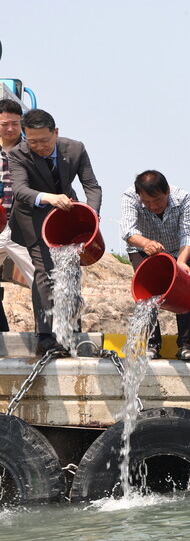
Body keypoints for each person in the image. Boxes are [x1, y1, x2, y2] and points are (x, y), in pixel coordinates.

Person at [8, 109, 102, 356]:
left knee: (71, 271)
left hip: (67, 214)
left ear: (56, 133)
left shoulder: (76, 148)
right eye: (32, 140)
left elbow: (91, 185)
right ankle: (46, 337)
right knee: (45, 270)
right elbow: (19, 190)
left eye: (44, 141)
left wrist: (91, 215)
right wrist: (47, 198)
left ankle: (69, 329)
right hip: (33, 217)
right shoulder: (18, 154)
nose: (38, 146)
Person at [120, 170, 190, 361]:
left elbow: (189, 234)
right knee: (147, 292)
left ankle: (187, 345)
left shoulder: (184, 198)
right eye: (146, 203)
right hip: (142, 248)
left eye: (157, 201)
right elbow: (128, 230)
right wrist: (146, 244)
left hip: (177, 251)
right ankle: (151, 345)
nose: (152, 206)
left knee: (185, 291)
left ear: (167, 191)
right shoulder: (130, 196)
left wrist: (181, 260)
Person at [0, 100, 35, 331]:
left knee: (40, 279)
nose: (10, 129)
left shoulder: (31, 150)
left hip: (23, 224)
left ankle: (62, 332)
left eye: (15, 123)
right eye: (5, 124)